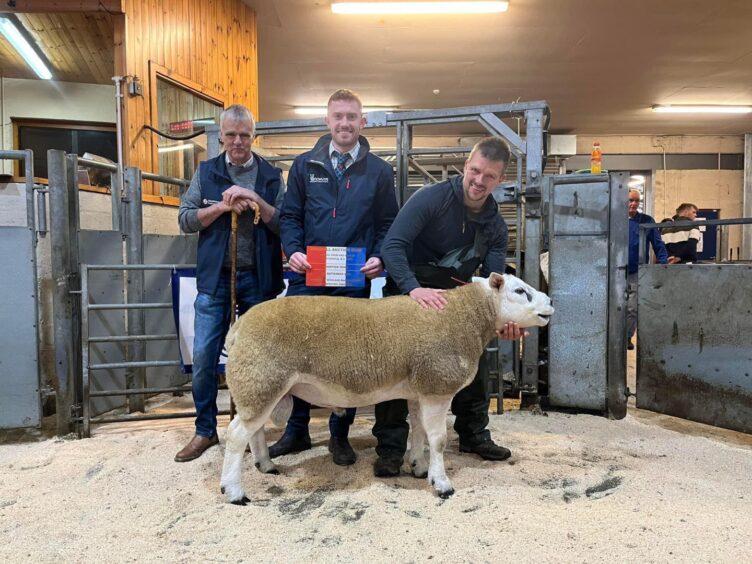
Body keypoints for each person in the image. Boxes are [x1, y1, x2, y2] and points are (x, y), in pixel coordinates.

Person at [371, 137, 526, 478]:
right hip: (409, 292)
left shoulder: (496, 227)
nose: (479, 181)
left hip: (457, 301)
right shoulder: (431, 198)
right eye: (475, 171)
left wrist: (503, 319)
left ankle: (473, 434)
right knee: (395, 369)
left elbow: (491, 282)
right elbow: (393, 246)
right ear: (465, 166)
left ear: (500, 180)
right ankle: (391, 448)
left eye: (489, 176)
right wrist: (414, 289)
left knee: (473, 360)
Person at [271, 89, 399, 466]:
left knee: (346, 358)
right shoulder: (303, 165)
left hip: (351, 277)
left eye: (351, 116)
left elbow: (387, 222)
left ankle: (339, 436)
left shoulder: (378, 170)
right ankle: (296, 432)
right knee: (298, 351)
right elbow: (290, 215)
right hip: (307, 274)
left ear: (363, 122)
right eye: (338, 116)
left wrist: (379, 256)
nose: (344, 123)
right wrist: (292, 248)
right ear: (327, 121)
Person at [174, 104, 286, 462]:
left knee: (260, 358)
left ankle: (250, 427)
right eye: (232, 135)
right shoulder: (206, 173)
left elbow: (284, 223)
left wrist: (256, 201)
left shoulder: (270, 175)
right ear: (221, 136)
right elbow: (186, 219)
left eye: (245, 135)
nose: (238, 142)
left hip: (259, 278)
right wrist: (221, 209)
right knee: (205, 356)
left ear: (254, 136)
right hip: (215, 278)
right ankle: (205, 430)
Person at [627, 189, 668, 350]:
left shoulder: (646, 220)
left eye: (637, 201)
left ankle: (627, 337)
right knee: (615, 306)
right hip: (613, 272)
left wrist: (663, 264)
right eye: (630, 200)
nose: (634, 203)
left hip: (636, 271)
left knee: (632, 307)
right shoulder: (613, 219)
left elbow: (658, 244)